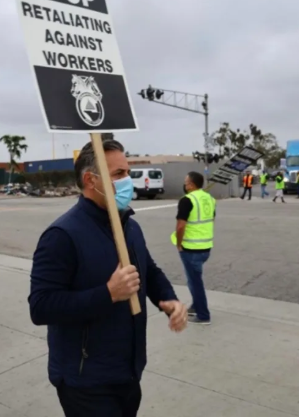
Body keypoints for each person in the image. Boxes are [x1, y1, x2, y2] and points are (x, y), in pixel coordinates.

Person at [29, 139, 187, 417]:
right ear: (91, 180)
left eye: (127, 171)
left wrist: (169, 300)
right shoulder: (62, 236)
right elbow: (41, 307)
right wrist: (108, 293)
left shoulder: (130, 226)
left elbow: (148, 270)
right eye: (119, 174)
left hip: (128, 371)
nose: (128, 180)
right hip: (86, 380)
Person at [173, 171, 215, 325]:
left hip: (191, 248)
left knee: (195, 282)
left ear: (190, 185)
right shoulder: (209, 199)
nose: (184, 185)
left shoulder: (187, 200)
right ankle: (195, 306)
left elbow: (180, 226)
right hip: (206, 247)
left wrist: (179, 244)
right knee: (194, 278)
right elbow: (211, 219)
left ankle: (203, 315)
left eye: (186, 182)